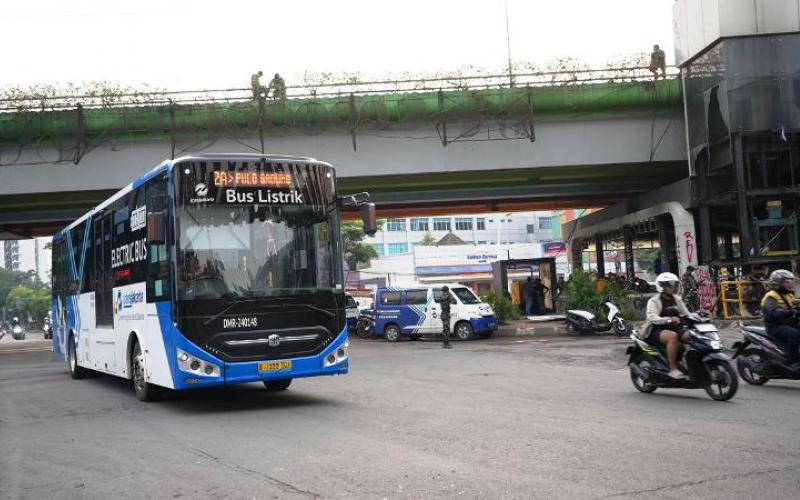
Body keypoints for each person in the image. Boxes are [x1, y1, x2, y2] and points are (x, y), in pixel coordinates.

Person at [640, 272, 691, 379]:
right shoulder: (654, 301)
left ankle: (689, 363)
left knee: (691, 335)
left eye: (675, 284)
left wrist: (699, 316)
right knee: (673, 336)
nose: (675, 287)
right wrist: (668, 320)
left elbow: (687, 314)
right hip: (656, 330)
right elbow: (652, 317)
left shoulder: (677, 299)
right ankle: (673, 368)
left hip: (675, 328)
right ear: (663, 286)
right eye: (672, 284)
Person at [760, 270, 800, 369]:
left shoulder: (789, 294)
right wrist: (790, 312)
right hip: (775, 326)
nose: (790, 283)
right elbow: (772, 312)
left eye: (791, 281)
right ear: (778, 283)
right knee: (794, 334)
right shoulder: (771, 296)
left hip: (789, 323)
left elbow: (795, 304)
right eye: (787, 281)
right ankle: (793, 360)